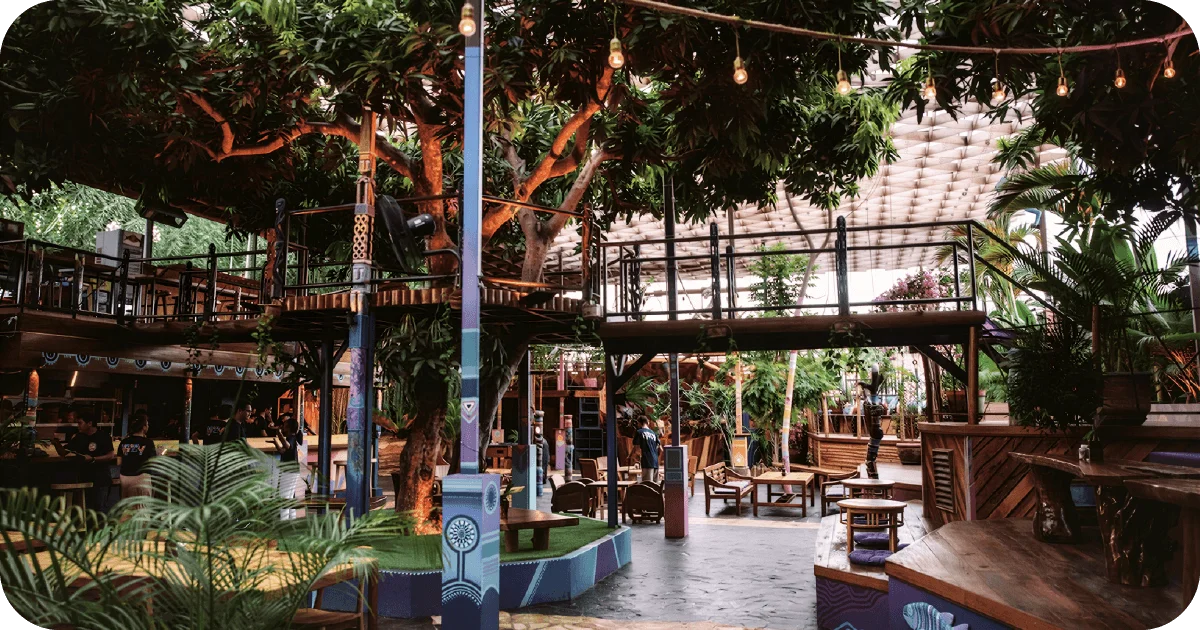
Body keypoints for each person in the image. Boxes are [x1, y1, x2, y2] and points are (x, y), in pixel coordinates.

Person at [52, 412, 116, 511]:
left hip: (100, 478)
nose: (78, 425)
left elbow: (110, 455)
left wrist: (93, 459)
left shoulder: (103, 436)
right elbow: (63, 452)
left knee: (99, 508)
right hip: (83, 478)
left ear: (89, 423)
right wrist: (56, 444)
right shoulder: (79, 437)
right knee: (84, 508)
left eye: (80, 423)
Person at [271, 417, 304, 519]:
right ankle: (291, 520)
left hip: (289, 471)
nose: (283, 427)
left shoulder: (291, 438)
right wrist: (275, 443)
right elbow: (283, 451)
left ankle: (284, 520)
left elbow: (287, 446)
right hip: (293, 470)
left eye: (284, 425)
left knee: (284, 497)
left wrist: (279, 434)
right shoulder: (292, 438)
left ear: (288, 427)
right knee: (290, 497)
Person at [117, 416, 157, 498]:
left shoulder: (124, 442)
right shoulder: (148, 442)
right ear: (143, 427)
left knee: (127, 504)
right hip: (142, 479)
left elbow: (119, 462)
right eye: (147, 424)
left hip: (125, 479)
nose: (148, 426)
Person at [634, 417, 662, 484]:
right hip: (655, 461)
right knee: (655, 485)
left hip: (646, 460)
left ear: (639, 423)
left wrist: (637, 461)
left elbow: (637, 448)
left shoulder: (639, 432)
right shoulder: (653, 433)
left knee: (647, 485)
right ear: (648, 422)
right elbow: (660, 448)